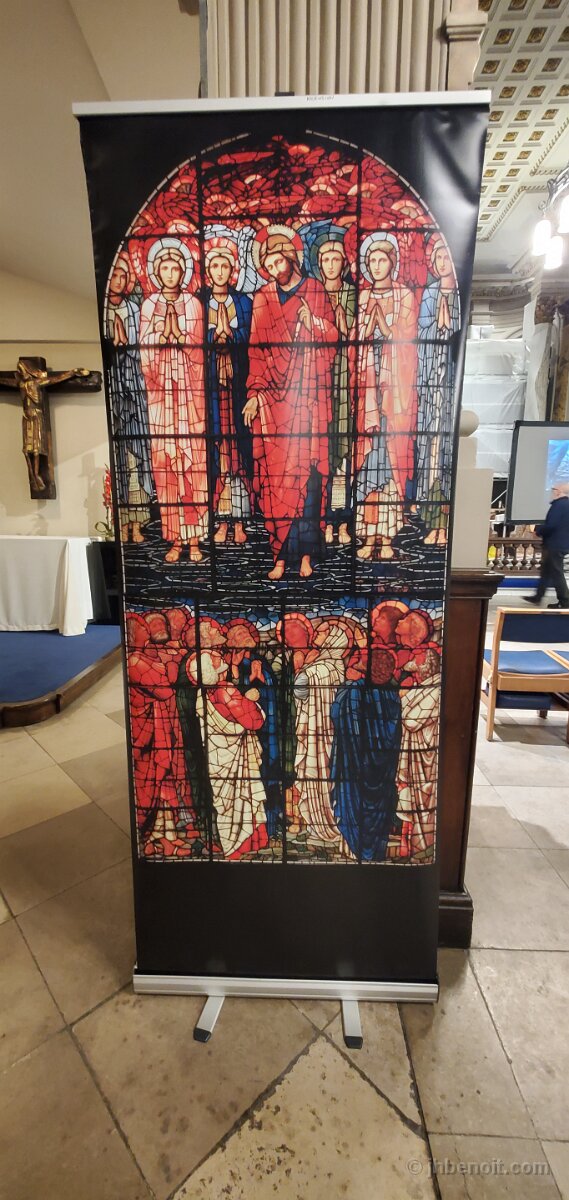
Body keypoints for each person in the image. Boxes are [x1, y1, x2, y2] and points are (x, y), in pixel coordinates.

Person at [244, 226, 338, 579]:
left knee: (308, 478)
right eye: (267, 262)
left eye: (278, 259)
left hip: (307, 397)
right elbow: (256, 349)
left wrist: (313, 323)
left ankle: (306, 557)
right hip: (272, 401)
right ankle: (279, 556)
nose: (273, 267)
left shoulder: (314, 290)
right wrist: (254, 394)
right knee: (275, 481)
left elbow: (333, 337)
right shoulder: (262, 297)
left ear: (291, 257)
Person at [139, 238, 208, 564]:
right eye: (164, 267)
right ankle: (176, 539)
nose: (170, 273)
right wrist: (160, 337)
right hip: (161, 398)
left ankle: (194, 540)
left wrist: (178, 336)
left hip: (190, 398)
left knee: (192, 468)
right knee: (167, 468)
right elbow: (144, 350)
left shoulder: (193, 304)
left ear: (183, 272)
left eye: (175, 268)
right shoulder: (149, 305)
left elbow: (198, 350)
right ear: (156, 272)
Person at [355, 233, 418, 561]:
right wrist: (369, 329)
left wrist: (386, 328)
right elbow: (356, 338)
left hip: (395, 392)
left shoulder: (404, 295)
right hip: (368, 392)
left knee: (391, 468)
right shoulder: (363, 296)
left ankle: (388, 536)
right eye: (372, 261)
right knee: (369, 468)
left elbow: (408, 338)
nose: (377, 266)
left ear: (393, 263)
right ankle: (369, 536)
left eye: (382, 260)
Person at [204, 240, 253, 546]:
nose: (220, 271)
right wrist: (213, 336)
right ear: (208, 271)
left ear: (232, 270)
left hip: (238, 388)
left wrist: (232, 335)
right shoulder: (200, 304)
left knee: (238, 453)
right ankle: (221, 521)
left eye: (225, 266)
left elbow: (253, 335)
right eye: (215, 266)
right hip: (211, 391)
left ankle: (239, 521)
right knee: (219, 453)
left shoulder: (244, 303)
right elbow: (194, 338)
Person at [105, 253, 153, 544]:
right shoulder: (102, 313)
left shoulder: (134, 309)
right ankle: (121, 523)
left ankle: (137, 524)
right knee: (120, 461)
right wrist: (113, 346)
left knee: (137, 458)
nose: (119, 281)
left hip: (134, 389)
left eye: (124, 276)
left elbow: (143, 348)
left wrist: (127, 346)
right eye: (115, 275)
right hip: (113, 391)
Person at [416, 235, 460, 545]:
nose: (443, 263)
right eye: (439, 258)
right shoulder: (430, 293)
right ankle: (432, 523)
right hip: (431, 380)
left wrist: (449, 326)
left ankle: (444, 526)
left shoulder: (460, 294)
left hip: (450, 385)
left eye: (447, 257)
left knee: (445, 456)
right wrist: (437, 327)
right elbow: (422, 332)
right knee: (430, 455)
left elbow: (459, 336)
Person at [524, 482, 569, 609]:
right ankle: (538, 596)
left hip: (555, 544)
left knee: (556, 572)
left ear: (558, 492)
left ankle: (565, 600)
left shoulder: (558, 505)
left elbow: (552, 525)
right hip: (562, 543)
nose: (552, 492)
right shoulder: (566, 505)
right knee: (547, 571)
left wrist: (538, 531)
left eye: (553, 489)